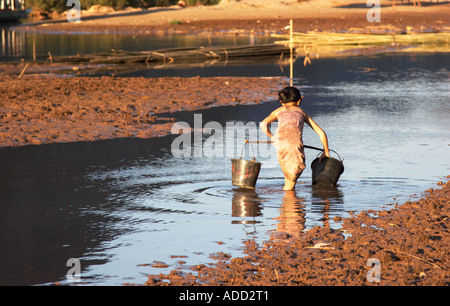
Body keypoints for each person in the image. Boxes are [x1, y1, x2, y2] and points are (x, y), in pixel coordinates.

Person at [260, 86, 330, 190]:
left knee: (288, 177)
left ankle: (285, 205)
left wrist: (272, 138)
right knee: (291, 182)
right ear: (299, 100)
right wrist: (326, 151)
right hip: (294, 147)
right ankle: (289, 202)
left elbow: (263, 124)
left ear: (281, 101)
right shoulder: (301, 112)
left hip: (280, 146)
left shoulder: (278, 111)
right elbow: (321, 133)